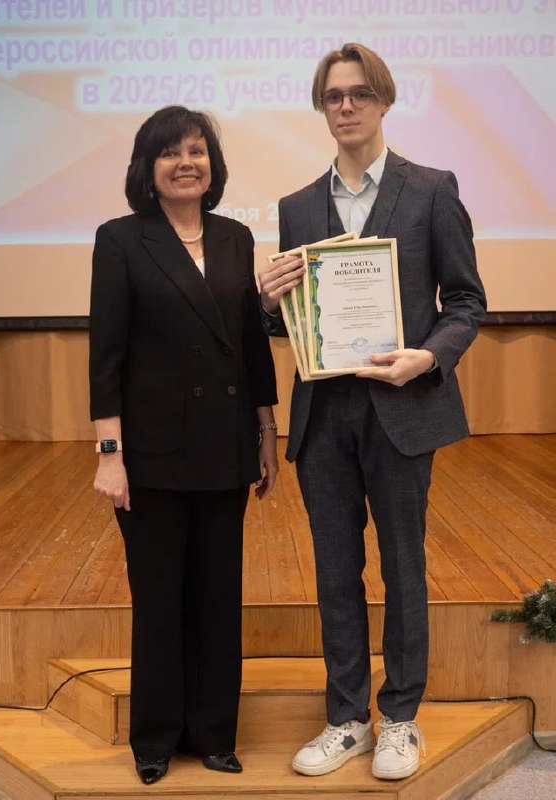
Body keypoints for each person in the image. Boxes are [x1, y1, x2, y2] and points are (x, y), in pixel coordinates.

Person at [258, 43, 486, 781]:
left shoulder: (432, 190)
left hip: (403, 408)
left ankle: (402, 716)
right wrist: (270, 301)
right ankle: (348, 718)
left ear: (384, 100)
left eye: (359, 93)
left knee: (403, 565)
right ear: (321, 108)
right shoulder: (297, 207)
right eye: (333, 96)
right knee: (334, 571)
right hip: (324, 413)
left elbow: (466, 302)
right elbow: (290, 323)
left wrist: (429, 357)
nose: (347, 106)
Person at [89, 105, 278, 785]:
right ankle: (155, 738)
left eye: (197, 151)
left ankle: (215, 734)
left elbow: (251, 345)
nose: (186, 163)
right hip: (152, 454)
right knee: (160, 598)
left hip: (226, 445)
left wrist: (266, 431)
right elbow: (106, 355)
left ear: (212, 166)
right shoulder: (120, 239)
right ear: (148, 168)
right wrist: (110, 455)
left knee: (219, 596)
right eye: (170, 152)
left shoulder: (235, 237)